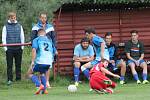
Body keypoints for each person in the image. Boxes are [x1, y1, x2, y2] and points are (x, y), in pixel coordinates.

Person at [31, 12, 57, 88]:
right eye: (42, 18)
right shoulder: (35, 27)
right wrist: (34, 49)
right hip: (39, 50)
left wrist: (55, 49)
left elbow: (53, 39)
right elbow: (33, 39)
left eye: (45, 18)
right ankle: (39, 82)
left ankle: (47, 81)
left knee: (48, 66)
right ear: (39, 18)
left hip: (49, 51)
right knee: (40, 67)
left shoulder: (50, 27)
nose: (44, 19)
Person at [29, 28, 56, 94]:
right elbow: (55, 52)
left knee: (29, 73)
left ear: (38, 34)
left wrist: (32, 61)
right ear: (45, 34)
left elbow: (34, 50)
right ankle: (45, 90)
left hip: (41, 61)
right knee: (42, 73)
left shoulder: (36, 39)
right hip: (49, 62)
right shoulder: (49, 40)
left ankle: (40, 85)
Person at [2, 11, 25, 85]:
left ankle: (18, 79)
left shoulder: (19, 26)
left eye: (14, 17)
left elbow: (22, 36)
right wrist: (6, 48)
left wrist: (22, 47)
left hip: (18, 48)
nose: (13, 19)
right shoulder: (5, 26)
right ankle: (10, 80)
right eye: (12, 17)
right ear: (9, 18)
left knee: (18, 64)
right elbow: (3, 38)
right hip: (9, 49)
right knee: (9, 65)